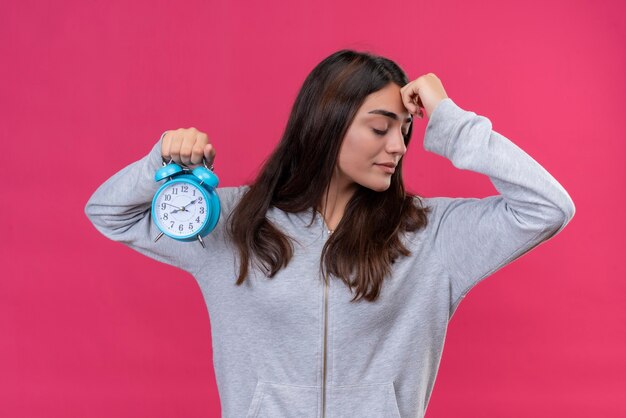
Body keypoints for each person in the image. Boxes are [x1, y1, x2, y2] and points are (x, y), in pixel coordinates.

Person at [84, 49, 576, 418]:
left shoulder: (431, 233)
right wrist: (161, 163)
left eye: (405, 130)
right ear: (326, 125)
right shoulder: (231, 221)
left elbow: (547, 208)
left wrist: (449, 120)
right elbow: (109, 211)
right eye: (380, 128)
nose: (399, 146)